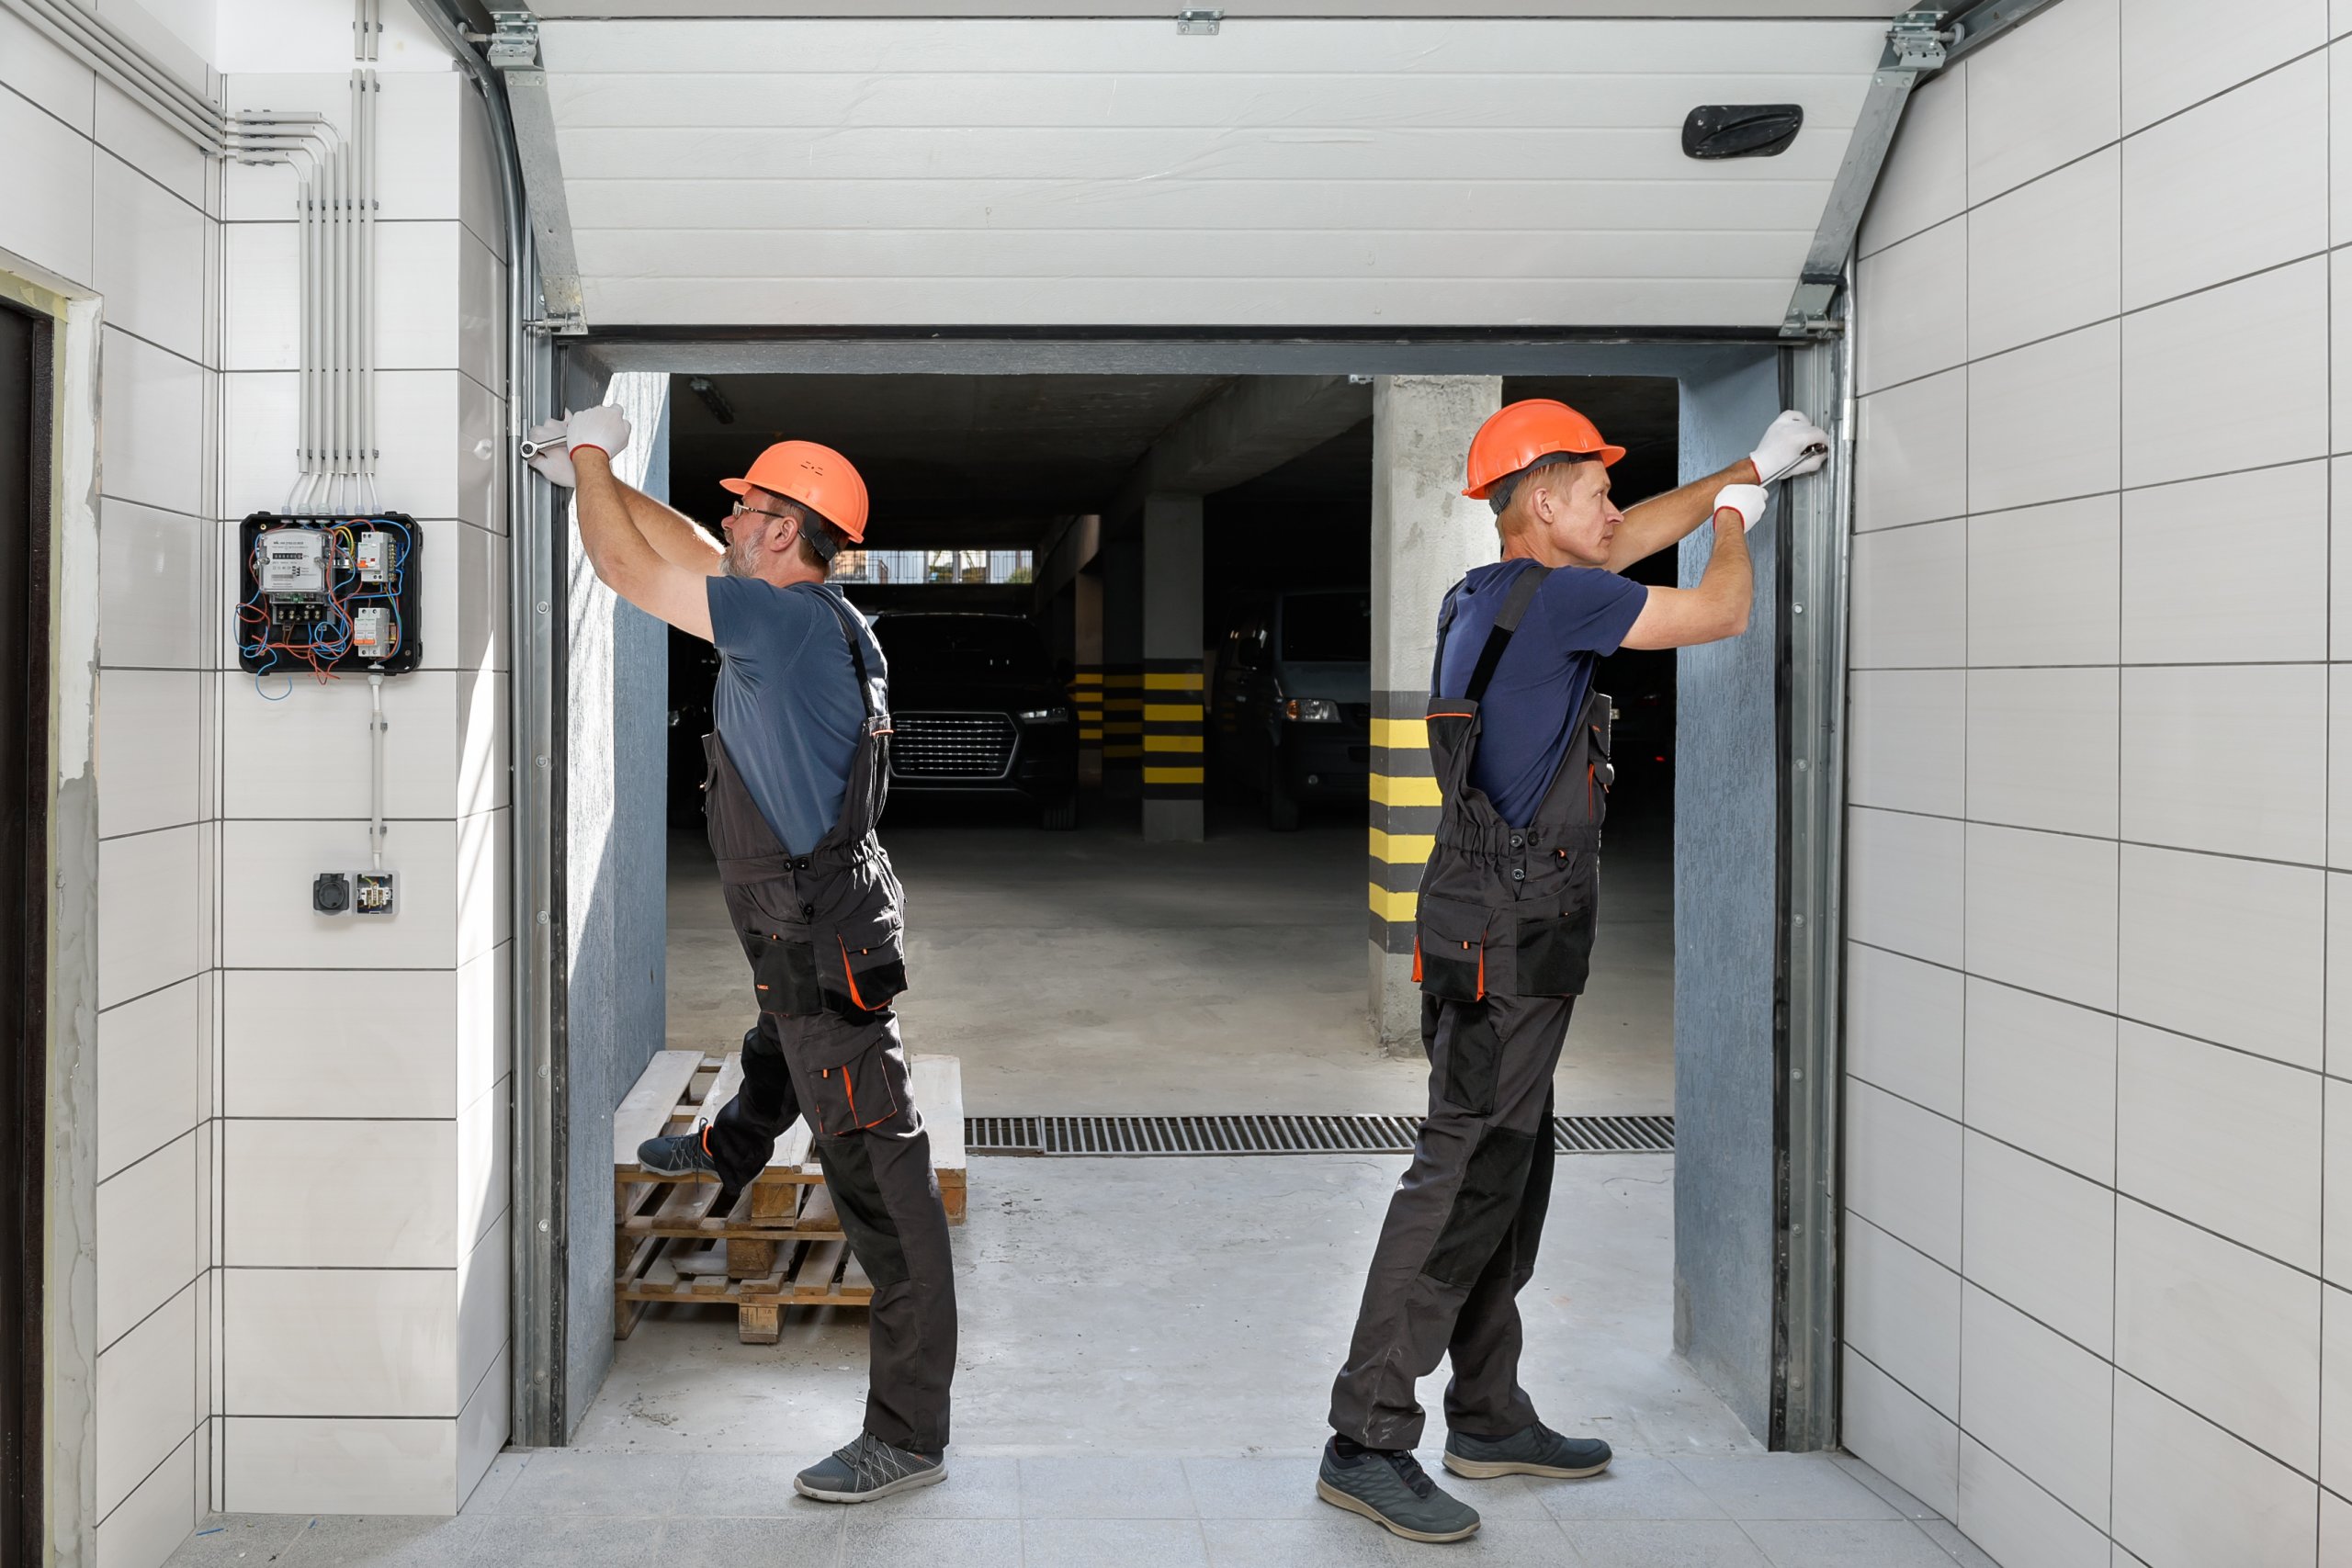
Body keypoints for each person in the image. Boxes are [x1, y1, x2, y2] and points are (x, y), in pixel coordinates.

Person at [1317, 400, 1828, 1543]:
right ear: (1541, 502)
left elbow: (1627, 540)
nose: (1611, 503)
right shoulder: (1568, 601)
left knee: (1510, 1167)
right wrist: (1739, 519)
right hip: (1511, 932)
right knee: (1460, 1178)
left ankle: (1488, 1416)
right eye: (1592, 487)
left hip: (1486, 927)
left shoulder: (1490, 595)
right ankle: (1364, 1437)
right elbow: (1719, 610)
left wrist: (1746, 467)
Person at [529, 407, 957, 1506]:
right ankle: (731, 1147)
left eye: (746, 508)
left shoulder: (784, 629)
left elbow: (628, 569)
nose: (728, 518)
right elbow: (680, 545)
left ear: (784, 531)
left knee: (883, 1188)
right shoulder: (807, 613)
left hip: (818, 935)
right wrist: (602, 474)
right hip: (815, 920)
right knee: (780, 1039)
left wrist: (589, 464)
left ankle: (906, 1435)